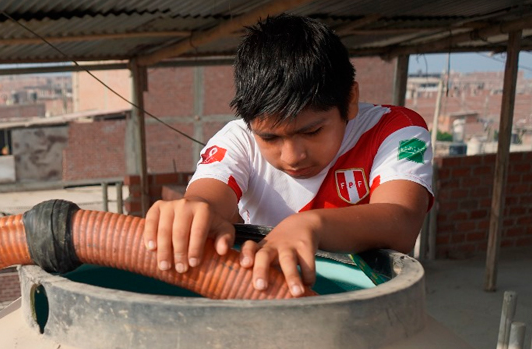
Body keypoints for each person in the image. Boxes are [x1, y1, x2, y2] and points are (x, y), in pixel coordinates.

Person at [144, 14, 433, 297]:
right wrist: (193, 209)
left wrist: (310, 225)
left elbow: (403, 222)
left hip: (364, 306)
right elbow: (207, 199)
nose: (293, 156)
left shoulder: (396, 130)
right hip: (262, 298)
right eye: (269, 137)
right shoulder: (238, 139)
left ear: (350, 99)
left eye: (312, 131)